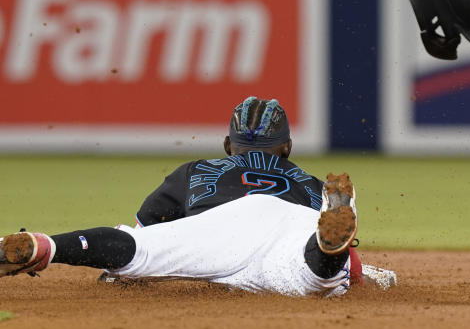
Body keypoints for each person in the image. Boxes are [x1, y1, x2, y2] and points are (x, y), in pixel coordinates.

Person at [0, 96, 396, 297]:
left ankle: (46, 245)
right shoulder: (308, 182)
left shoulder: (195, 170)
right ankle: (325, 257)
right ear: (288, 146)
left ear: (227, 144)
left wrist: (122, 271)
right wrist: (354, 270)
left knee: (136, 247)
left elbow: (144, 229)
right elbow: (355, 266)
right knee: (311, 278)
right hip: (288, 228)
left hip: (215, 231)